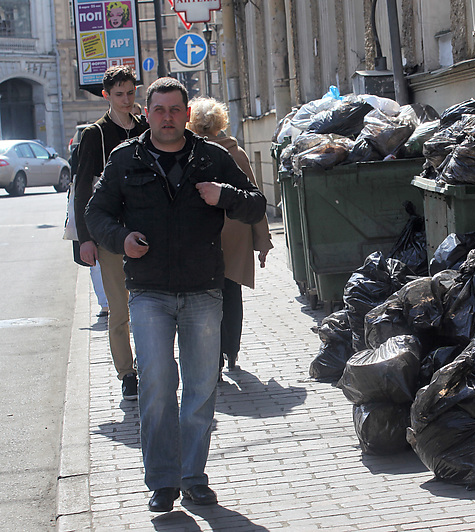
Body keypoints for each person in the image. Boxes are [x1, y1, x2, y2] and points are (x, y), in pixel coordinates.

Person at [85, 77, 267, 513]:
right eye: (159, 110)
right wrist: (121, 238)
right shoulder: (125, 159)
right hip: (148, 291)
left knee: (202, 388)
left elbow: (257, 205)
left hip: (204, 289)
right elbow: (97, 212)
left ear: (187, 114)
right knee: (158, 386)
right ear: (146, 114)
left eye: (174, 110)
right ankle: (163, 482)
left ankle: (193, 476)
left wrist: (225, 195)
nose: (167, 117)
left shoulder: (213, 157)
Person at [74, 65, 148, 401]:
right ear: (107, 95)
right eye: (119, 94)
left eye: (130, 93)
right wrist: (84, 238)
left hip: (147, 229)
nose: (126, 100)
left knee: (152, 304)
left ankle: (150, 364)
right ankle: (127, 373)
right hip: (109, 231)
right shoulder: (95, 134)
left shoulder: (145, 128)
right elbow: (81, 189)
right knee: (120, 309)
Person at [187, 96, 272, 377]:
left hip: (203, 233)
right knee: (231, 291)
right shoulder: (236, 153)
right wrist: (262, 241)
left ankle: (215, 355)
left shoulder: (192, 154)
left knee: (206, 295)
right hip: (236, 233)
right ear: (220, 123)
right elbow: (255, 199)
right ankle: (231, 350)